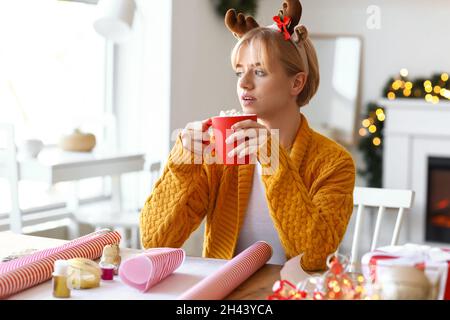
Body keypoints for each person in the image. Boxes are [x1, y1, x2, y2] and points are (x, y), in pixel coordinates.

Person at [139, 0, 355, 271]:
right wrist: (182, 165)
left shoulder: (334, 163)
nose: (243, 83)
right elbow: (155, 241)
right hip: (224, 292)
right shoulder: (219, 151)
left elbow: (313, 257)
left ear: (296, 83)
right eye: (239, 72)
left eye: (259, 72)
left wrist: (273, 159)